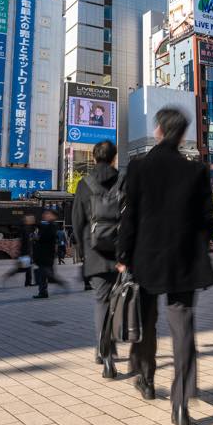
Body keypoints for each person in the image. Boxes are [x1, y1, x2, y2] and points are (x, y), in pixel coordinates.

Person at [117, 107, 213, 425]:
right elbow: (207, 220)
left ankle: (146, 378)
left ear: (158, 129)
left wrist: (123, 255)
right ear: (182, 134)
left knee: (145, 322)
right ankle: (181, 405)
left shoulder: (138, 168)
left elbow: (129, 217)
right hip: (185, 261)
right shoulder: (197, 171)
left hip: (146, 259)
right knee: (183, 330)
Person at [71, 139, 122, 379]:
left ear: (94, 158)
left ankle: (105, 356)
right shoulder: (124, 180)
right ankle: (109, 349)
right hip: (121, 253)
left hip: (95, 252)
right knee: (118, 302)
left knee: (101, 302)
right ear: (114, 158)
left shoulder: (84, 184)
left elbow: (77, 221)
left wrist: (81, 251)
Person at [32, 210, 59, 298]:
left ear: (53, 216)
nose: (45, 215)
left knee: (43, 273)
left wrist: (37, 238)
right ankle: (43, 291)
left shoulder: (52, 226)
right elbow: (41, 227)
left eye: (48, 214)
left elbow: (45, 238)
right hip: (45, 255)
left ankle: (43, 292)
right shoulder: (49, 225)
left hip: (46, 254)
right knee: (43, 273)